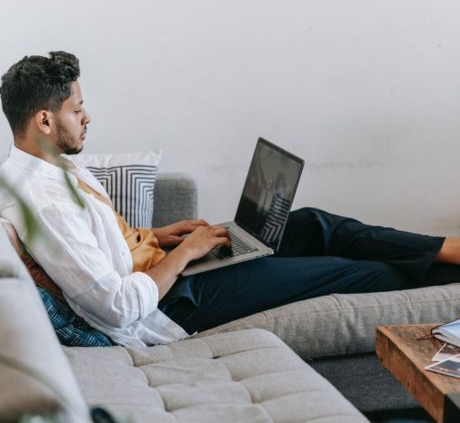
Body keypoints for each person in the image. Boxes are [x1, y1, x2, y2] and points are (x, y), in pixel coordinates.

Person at [0, 51, 459, 347]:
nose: (87, 118)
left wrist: (160, 236)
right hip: (170, 304)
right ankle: (447, 284)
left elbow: (104, 243)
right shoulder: (44, 203)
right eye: (77, 110)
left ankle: (445, 248)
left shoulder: (49, 163)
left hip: (167, 269)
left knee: (310, 223)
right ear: (43, 120)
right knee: (355, 273)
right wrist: (184, 257)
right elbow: (116, 307)